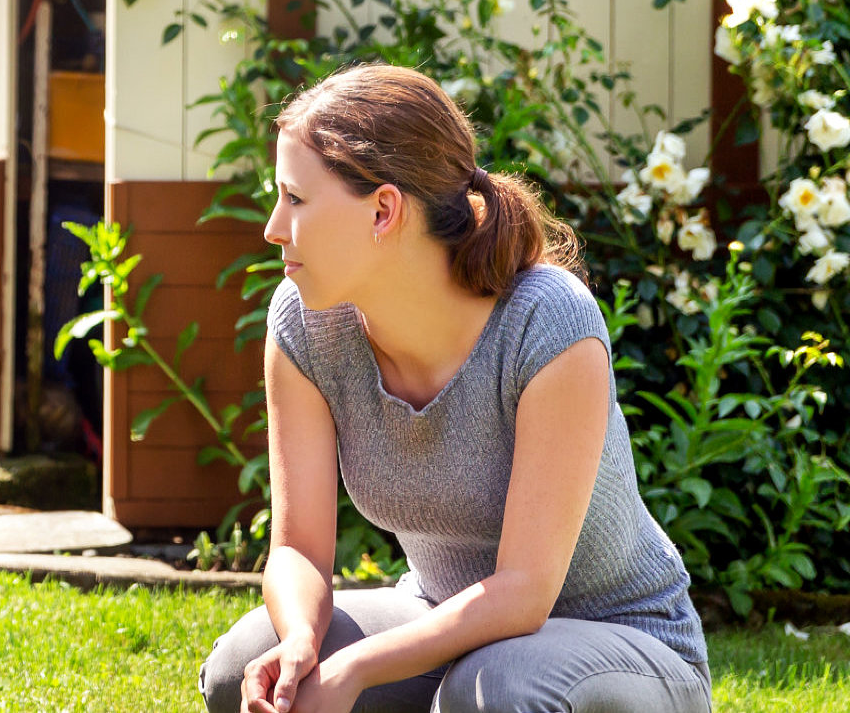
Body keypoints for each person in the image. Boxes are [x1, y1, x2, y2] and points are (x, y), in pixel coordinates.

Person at [196, 64, 711, 713]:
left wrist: (356, 668)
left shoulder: (548, 320)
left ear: (384, 210)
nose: (273, 227)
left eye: (295, 199)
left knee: (496, 689)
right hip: (446, 622)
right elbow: (298, 549)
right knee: (250, 666)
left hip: (625, 643)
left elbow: (523, 592)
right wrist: (302, 638)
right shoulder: (304, 324)